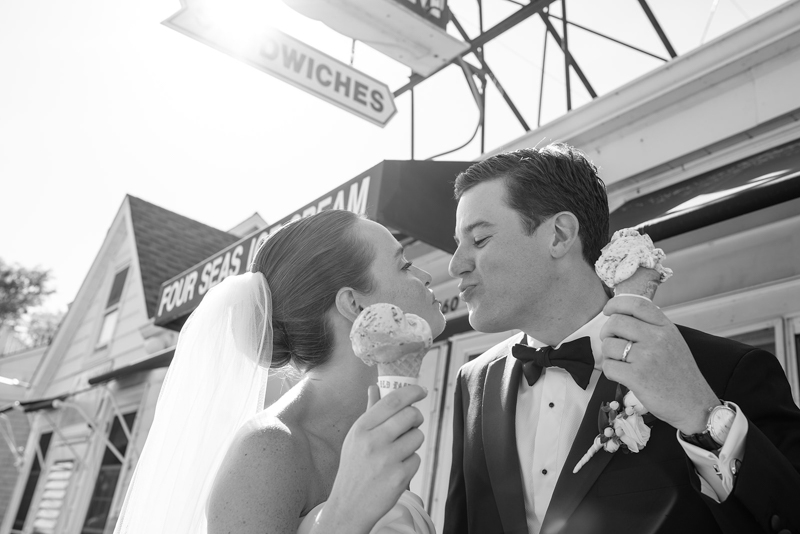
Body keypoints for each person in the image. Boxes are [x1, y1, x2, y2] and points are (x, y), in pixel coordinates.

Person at [443, 143, 800, 534]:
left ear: (559, 235)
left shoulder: (726, 370)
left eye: (478, 240)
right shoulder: (473, 381)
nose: (455, 264)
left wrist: (703, 417)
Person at [114, 209, 445, 534]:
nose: (426, 276)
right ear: (354, 305)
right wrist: (345, 515)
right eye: (403, 266)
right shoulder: (269, 447)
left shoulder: (377, 432)